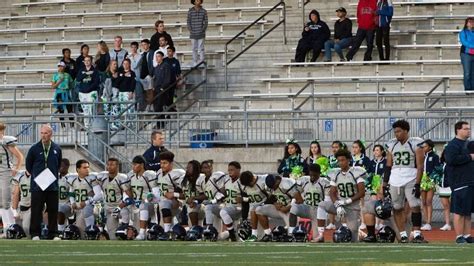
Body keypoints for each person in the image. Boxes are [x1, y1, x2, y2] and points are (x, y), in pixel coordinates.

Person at [382, 120, 426, 243]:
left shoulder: (415, 143)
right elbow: (388, 165)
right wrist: (384, 184)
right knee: (397, 207)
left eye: (399, 131)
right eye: (395, 131)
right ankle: (403, 234)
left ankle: (417, 233)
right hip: (395, 179)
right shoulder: (392, 145)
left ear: (406, 131)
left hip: (411, 177)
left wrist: (417, 184)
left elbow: (420, 166)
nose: (396, 134)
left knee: (415, 205)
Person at [317, 149, 366, 242]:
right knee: (322, 205)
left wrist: (347, 201)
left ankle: (361, 235)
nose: (340, 163)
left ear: (348, 160)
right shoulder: (335, 173)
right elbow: (332, 192)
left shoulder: (356, 172)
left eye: (343, 160)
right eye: (339, 161)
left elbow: (361, 192)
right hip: (340, 205)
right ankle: (320, 234)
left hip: (352, 207)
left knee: (353, 237)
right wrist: (337, 204)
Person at [25, 124, 62, 240]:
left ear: (51, 134)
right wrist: (38, 175)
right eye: (42, 133)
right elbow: (28, 165)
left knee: (53, 210)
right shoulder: (34, 148)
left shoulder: (56, 148)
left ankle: (53, 233)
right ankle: (35, 233)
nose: (43, 135)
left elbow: (59, 164)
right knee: (36, 209)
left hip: (52, 185)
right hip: (38, 185)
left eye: (46, 133)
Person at [443, 121, 474, 243]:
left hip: (470, 181)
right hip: (460, 182)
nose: (468, 131)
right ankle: (459, 235)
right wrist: (470, 157)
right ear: (458, 130)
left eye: (469, 129)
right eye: (466, 129)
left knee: (467, 211)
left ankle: (467, 235)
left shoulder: (468, 144)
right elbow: (451, 159)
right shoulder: (453, 145)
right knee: (459, 210)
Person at [290, 164, 330, 242]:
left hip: (318, 211)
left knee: (317, 238)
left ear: (319, 174)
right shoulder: (303, 180)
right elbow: (294, 191)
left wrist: (325, 213)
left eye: (315, 175)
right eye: (311, 174)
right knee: (294, 208)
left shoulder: (324, 182)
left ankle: (320, 236)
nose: (312, 177)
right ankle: (291, 233)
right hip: (306, 208)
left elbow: (327, 200)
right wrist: (299, 199)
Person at [96, 158, 133, 240]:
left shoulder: (122, 178)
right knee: (112, 235)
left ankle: (125, 228)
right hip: (109, 208)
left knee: (125, 212)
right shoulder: (102, 177)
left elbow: (129, 196)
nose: (109, 167)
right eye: (108, 164)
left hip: (120, 207)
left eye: (112, 165)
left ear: (117, 167)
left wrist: (119, 207)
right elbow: (99, 190)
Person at [65, 160, 102, 238]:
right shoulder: (73, 180)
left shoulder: (92, 179)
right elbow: (71, 193)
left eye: (88, 167)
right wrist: (72, 202)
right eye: (84, 167)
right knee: (81, 233)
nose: (87, 169)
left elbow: (99, 195)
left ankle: (91, 231)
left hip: (93, 207)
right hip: (79, 209)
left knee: (87, 210)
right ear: (78, 169)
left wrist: (87, 202)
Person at [128, 155, 160, 240]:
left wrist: (144, 200)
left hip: (150, 203)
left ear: (142, 165)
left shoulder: (149, 175)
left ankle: (142, 233)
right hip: (136, 204)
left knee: (143, 205)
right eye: (133, 164)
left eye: (135, 164)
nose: (133, 167)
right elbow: (128, 191)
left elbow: (156, 196)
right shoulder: (131, 175)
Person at [0, 123, 24, 238]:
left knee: (5, 201)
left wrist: (16, 168)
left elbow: (19, 156)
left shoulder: (6, 141)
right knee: (1, 202)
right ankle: (6, 228)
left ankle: (12, 227)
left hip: (5, 172)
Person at [156, 151, 186, 239]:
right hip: (162, 206)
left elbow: (187, 194)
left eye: (165, 163)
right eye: (161, 163)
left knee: (164, 203)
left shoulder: (177, 174)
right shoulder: (158, 173)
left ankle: (167, 232)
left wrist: (174, 195)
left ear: (171, 163)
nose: (162, 165)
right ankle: (169, 231)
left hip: (176, 205)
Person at [417, 139, 441, 231]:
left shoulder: (434, 156)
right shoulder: (421, 156)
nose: (423, 148)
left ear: (430, 147)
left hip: (430, 179)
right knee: (423, 202)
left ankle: (429, 222)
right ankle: (425, 221)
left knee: (428, 201)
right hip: (422, 179)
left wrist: (433, 177)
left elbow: (437, 168)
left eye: (425, 146)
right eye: (423, 146)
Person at [239, 171, 269, 242]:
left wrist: (264, 204)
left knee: (256, 209)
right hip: (254, 211)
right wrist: (244, 217)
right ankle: (254, 235)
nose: (248, 186)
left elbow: (272, 196)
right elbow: (248, 200)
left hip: (266, 206)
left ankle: (268, 233)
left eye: (249, 184)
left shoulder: (263, 180)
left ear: (253, 178)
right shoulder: (244, 186)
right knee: (253, 209)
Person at [219, 161, 243, 242]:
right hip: (228, 206)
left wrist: (242, 198)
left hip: (238, 208)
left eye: (232, 170)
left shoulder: (242, 181)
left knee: (223, 212)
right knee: (210, 207)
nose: (230, 172)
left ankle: (231, 234)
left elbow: (248, 196)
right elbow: (223, 192)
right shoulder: (226, 179)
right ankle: (213, 232)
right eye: (229, 170)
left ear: (238, 170)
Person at [75, 56, 100, 128]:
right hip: (83, 93)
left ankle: (94, 126)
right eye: (85, 60)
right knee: (85, 110)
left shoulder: (95, 71)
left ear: (91, 61)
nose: (87, 62)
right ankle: (87, 127)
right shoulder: (81, 70)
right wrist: (86, 74)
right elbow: (78, 79)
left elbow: (96, 82)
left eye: (88, 60)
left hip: (92, 92)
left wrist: (89, 89)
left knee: (92, 109)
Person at [152, 51, 172, 128]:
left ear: (162, 57)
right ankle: (159, 123)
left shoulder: (166, 66)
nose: (157, 58)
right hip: (156, 90)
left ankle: (161, 123)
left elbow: (167, 79)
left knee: (159, 107)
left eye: (159, 56)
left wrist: (162, 88)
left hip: (162, 90)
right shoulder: (156, 67)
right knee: (156, 107)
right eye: (156, 57)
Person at [52, 61, 74, 128]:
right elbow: (53, 86)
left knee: (69, 109)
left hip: (66, 93)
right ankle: (63, 125)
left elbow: (71, 84)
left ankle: (72, 125)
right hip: (59, 93)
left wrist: (68, 88)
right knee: (61, 110)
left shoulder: (67, 75)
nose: (60, 68)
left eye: (61, 66)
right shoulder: (55, 75)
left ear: (64, 67)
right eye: (59, 66)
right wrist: (59, 81)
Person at [10, 170, 31, 238]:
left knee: (26, 228)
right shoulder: (20, 176)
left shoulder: (38, 174)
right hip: (22, 206)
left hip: (34, 206)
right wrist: (15, 211)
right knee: (19, 228)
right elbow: (16, 194)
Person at [187, 0, 208, 66]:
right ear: (194, 1)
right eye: (196, 0)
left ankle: (202, 61)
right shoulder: (190, 11)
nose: (197, 1)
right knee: (194, 48)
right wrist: (191, 30)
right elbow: (188, 21)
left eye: (199, 0)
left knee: (201, 48)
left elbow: (206, 22)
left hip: (201, 33)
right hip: (193, 33)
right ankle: (195, 61)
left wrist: (202, 30)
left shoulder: (204, 11)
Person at [138, 39, 156, 112]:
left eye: (145, 44)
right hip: (142, 75)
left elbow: (153, 64)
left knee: (150, 90)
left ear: (148, 45)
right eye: (142, 45)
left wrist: (152, 73)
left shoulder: (152, 53)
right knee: (145, 91)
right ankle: (147, 105)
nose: (144, 46)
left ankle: (151, 105)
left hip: (149, 75)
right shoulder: (141, 54)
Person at [438, 149, 452, 231]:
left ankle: (458, 223)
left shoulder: (453, 164)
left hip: (451, 187)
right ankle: (447, 224)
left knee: (455, 206)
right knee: (445, 206)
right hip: (442, 187)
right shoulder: (441, 164)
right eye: (445, 154)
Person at [127, 41, 143, 111]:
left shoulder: (140, 56)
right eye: (132, 47)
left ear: (137, 48)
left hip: (137, 76)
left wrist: (131, 58)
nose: (133, 49)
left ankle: (138, 107)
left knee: (137, 92)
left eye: (135, 47)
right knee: (130, 92)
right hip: (129, 77)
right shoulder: (128, 56)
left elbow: (135, 65)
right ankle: (131, 108)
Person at [460, 17, 474, 91]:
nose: (471, 23)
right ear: (466, 23)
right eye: (470, 22)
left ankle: (473, 88)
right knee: (467, 73)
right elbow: (464, 42)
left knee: (473, 73)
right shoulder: (463, 32)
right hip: (466, 54)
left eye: (472, 22)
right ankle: (468, 89)